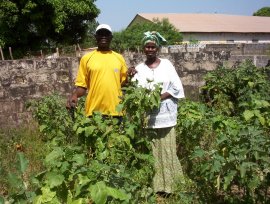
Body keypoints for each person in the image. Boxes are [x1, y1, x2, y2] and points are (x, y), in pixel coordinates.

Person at [131, 31, 185, 196]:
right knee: (152, 150)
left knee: (168, 149)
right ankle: (155, 186)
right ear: (143, 49)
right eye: (147, 46)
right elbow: (134, 92)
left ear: (157, 48)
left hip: (166, 115)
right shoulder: (139, 69)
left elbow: (176, 86)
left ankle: (171, 186)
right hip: (149, 117)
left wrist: (158, 98)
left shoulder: (167, 64)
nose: (150, 49)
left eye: (152, 46)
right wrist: (128, 76)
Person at [66, 24, 128, 119]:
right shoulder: (86, 58)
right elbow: (82, 86)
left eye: (106, 34)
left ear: (111, 37)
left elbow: (124, 84)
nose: (103, 36)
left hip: (116, 111)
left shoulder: (119, 58)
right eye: (100, 34)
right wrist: (74, 96)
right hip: (94, 112)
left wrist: (131, 75)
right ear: (96, 37)